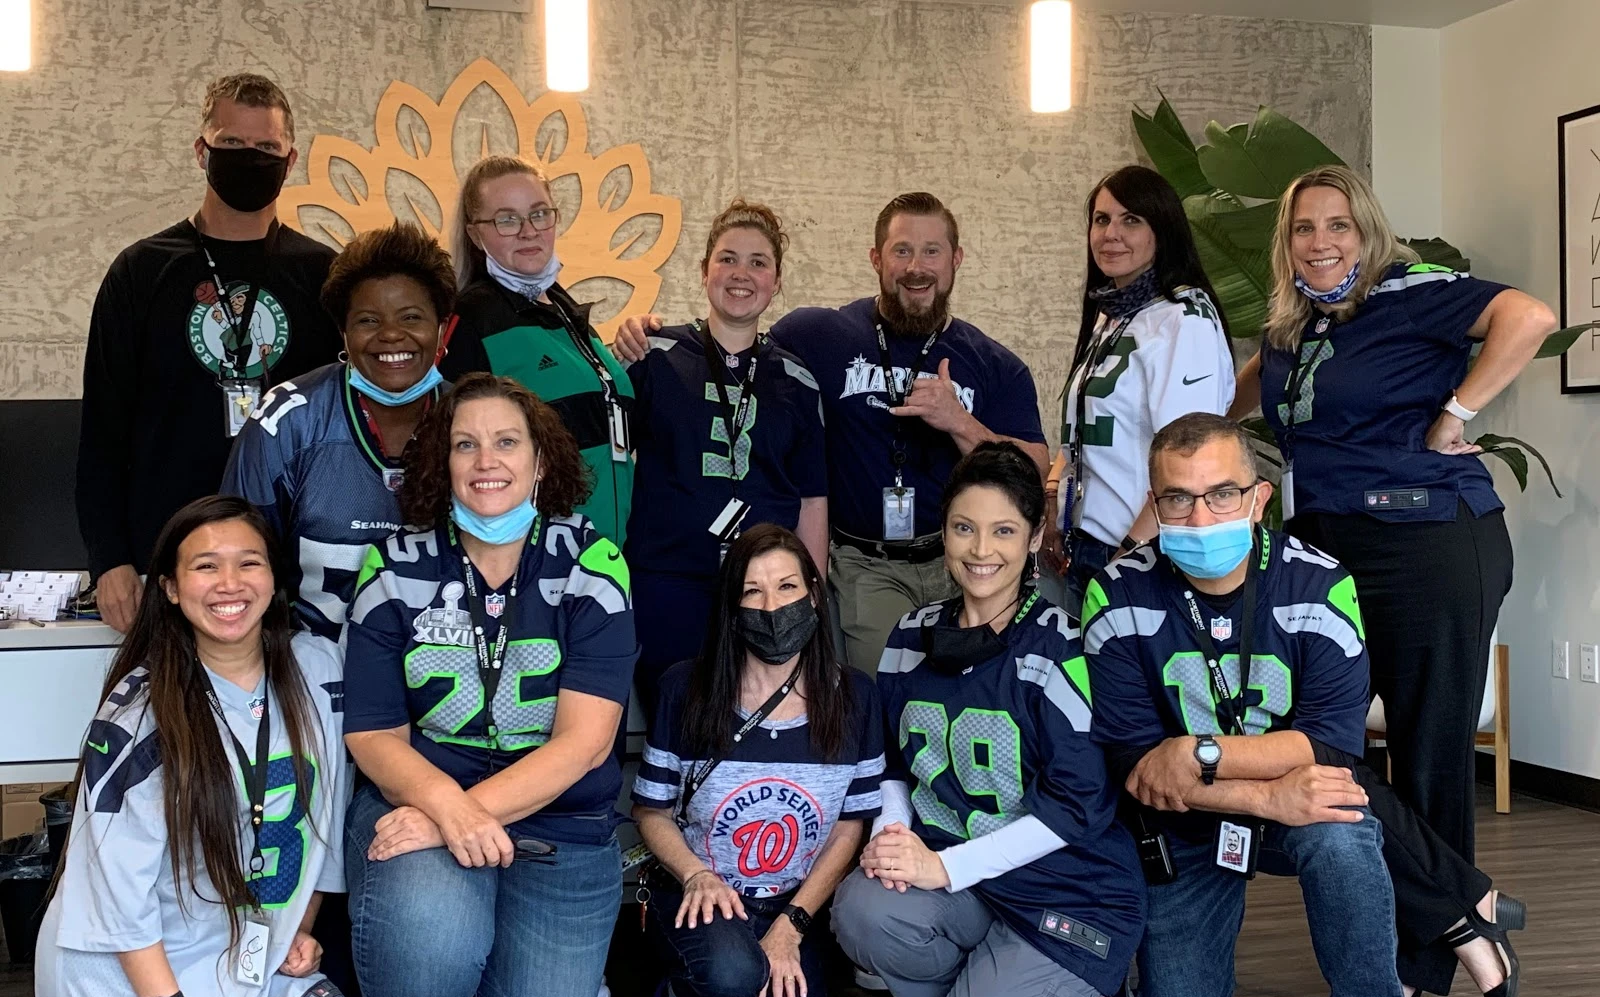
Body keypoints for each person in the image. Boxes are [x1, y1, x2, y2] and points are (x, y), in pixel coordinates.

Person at [1082, 412, 1416, 997]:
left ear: (1259, 498)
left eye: (1222, 494)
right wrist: (1265, 799)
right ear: (1154, 504)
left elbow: (1328, 744)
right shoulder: (1116, 593)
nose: (1201, 517)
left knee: (1342, 829)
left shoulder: (1322, 584)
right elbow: (1137, 768)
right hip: (1187, 821)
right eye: (1178, 498)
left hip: (1281, 797)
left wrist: (1197, 752)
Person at [0, 496, 371, 997]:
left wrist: (299, 926)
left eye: (248, 563)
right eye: (205, 567)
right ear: (170, 589)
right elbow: (115, 898)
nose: (229, 584)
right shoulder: (141, 711)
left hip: (234, 948)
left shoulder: (319, 669)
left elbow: (323, 819)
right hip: (133, 964)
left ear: (275, 578)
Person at [1232, 165, 1553, 868]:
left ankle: (1441, 926)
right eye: (1303, 228)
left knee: (1427, 754)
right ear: (1287, 243)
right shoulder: (1293, 323)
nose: (1320, 242)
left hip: (1427, 542)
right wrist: (1200, 433)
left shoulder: (1411, 292)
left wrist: (1456, 414)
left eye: (1338, 225)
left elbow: (1530, 317)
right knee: (1319, 740)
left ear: (1367, 231)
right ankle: (1442, 903)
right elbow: (1249, 390)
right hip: (1323, 550)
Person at [342, 374, 636, 997]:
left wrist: (457, 815)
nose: (486, 461)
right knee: (433, 932)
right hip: (422, 802)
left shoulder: (593, 563)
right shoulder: (393, 566)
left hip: (559, 830)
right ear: (440, 462)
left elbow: (585, 743)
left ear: (540, 460)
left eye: (506, 441)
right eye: (464, 444)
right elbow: (372, 733)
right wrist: (446, 809)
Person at [830, 442, 1144, 997]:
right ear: (943, 532)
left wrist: (941, 868)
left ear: (1033, 538)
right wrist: (893, 840)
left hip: (1067, 894)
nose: (980, 550)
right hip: (971, 888)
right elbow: (892, 763)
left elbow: (1074, 808)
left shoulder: (1063, 646)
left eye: (1003, 531)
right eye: (964, 527)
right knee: (860, 908)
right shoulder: (909, 636)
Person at [618, 193, 1048, 674]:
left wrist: (960, 422)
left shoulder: (994, 363)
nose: (916, 267)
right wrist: (638, 333)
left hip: (965, 557)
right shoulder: (818, 335)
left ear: (956, 259)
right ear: (876, 258)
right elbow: (734, 341)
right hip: (866, 566)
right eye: (902, 250)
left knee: (980, 684)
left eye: (932, 251)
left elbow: (1034, 471)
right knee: (885, 692)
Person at [77, 74, 342, 632]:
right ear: (202, 151)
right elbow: (103, 427)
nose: (250, 158)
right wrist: (109, 558)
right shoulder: (142, 270)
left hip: (293, 561)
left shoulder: (325, 275)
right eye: (232, 143)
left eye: (266, 146)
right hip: (166, 561)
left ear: (290, 161)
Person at [630, 524, 882, 997]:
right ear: (732, 606)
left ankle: (740, 979)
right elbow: (650, 810)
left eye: (787, 587)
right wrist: (695, 874)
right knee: (729, 974)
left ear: (814, 595)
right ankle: (685, 996)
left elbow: (850, 826)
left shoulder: (855, 698)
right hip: (700, 896)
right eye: (753, 591)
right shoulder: (685, 689)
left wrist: (791, 927)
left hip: (794, 905)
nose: (772, 607)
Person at [624, 200, 828, 717]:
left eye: (758, 262)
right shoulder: (653, 356)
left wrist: (813, 593)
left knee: (755, 723)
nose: (742, 274)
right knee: (674, 718)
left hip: (765, 590)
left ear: (776, 281)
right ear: (704, 270)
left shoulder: (798, 380)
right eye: (728, 258)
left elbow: (811, 498)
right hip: (668, 580)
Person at [222, 221, 457, 643]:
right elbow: (234, 562)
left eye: (411, 317)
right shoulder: (288, 421)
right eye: (368, 320)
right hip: (315, 667)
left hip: (441, 670)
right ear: (343, 332)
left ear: (442, 327)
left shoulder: (473, 421)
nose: (391, 334)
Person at [1042, 166, 1235, 618]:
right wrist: (1054, 507)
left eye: (1131, 220)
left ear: (1161, 231)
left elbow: (1189, 461)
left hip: (1140, 553)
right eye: (1102, 219)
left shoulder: (1183, 320)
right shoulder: (1114, 312)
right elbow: (1082, 434)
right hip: (1084, 546)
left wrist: (1130, 552)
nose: (1111, 233)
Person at [441, 154, 634, 549]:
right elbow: (453, 452)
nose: (529, 231)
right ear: (476, 234)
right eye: (507, 220)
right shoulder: (474, 319)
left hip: (605, 552)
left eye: (539, 214)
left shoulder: (564, 310)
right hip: (534, 556)